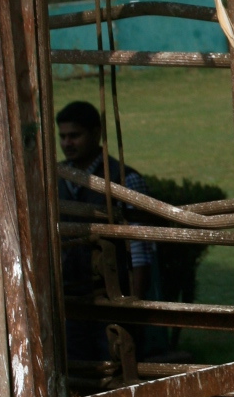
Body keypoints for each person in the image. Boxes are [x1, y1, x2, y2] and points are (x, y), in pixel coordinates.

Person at [56, 99, 158, 365]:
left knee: (118, 371)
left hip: (113, 300)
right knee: (75, 373)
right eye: (63, 137)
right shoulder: (52, 179)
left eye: (74, 135)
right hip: (70, 302)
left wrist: (132, 305)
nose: (67, 143)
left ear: (96, 133)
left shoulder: (124, 179)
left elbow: (140, 251)